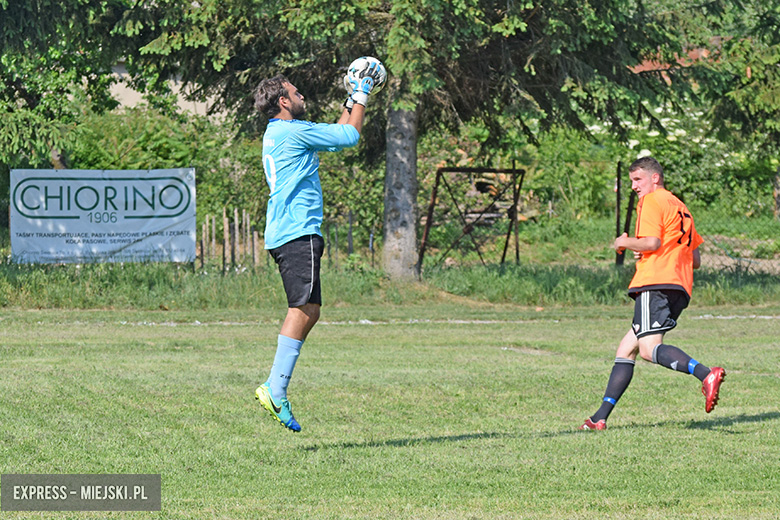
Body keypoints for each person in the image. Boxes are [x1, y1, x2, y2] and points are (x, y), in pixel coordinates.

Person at [253, 62, 383, 432]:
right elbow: (351, 137)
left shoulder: (285, 131)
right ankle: (274, 388)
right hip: (297, 232)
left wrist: (351, 96)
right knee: (303, 308)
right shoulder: (291, 133)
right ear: (283, 101)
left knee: (311, 308)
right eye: (295, 93)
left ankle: (276, 387)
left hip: (292, 231)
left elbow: (339, 131)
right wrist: (362, 93)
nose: (302, 95)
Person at [580, 156, 725, 431]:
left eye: (638, 179)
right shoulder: (680, 207)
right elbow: (694, 259)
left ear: (654, 178)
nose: (634, 186)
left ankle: (706, 374)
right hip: (679, 285)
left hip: (655, 282)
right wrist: (645, 246)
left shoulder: (651, 200)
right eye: (632, 180)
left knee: (648, 349)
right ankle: (599, 418)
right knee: (627, 348)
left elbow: (652, 241)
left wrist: (624, 242)